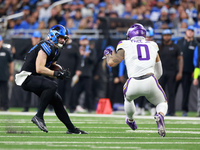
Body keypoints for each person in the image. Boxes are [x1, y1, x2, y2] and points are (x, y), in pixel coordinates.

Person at [15, 24, 88, 134]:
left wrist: (60, 70)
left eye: (64, 38)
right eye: (60, 37)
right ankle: (38, 116)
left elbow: (50, 66)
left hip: (34, 77)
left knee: (57, 100)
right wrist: (56, 74)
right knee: (53, 85)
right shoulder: (47, 45)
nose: (62, 40)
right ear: (54, 35)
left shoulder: (56, 49)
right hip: (26, 77)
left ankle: (71, 129)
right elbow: (39, 68)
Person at [103, 23, 168, 137]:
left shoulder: (126, 44)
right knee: (162, 102)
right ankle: (160, 115)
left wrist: (108, 54)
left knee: (128, 99)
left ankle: (130, 120)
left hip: (133, 82)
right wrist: (153, 81)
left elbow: (111, 63)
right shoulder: (152, 45)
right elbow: (160, 70)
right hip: (150, 79)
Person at [175, 25, 199, 116]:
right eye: (189, 30)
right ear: (186, 31)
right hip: (177, 71)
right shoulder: (179, 42)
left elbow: (196, 59)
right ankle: (170, 110)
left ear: (193, 33)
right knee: (173, 90)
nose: (190, 32)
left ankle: (185, 110)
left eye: (192, 31)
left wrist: (194, 70)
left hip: (188, 71)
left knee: (186, 92)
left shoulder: (196, 44)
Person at [158, 29, 183, 116]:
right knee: (160, 93)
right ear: (163, 36)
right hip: (161, 72)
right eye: (165, 35)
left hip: (172, 72)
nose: (167, 37)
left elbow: (180, 59)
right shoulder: (159, 47)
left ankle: (171, 111)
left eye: (168, 35)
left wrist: (180, 72)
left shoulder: (175, 47)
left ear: (170, 36)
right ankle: (160, 111)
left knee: (171, 92)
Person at [69, 35, 96, 113]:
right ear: (80, 42)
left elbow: (94, 61)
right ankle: (72, 107)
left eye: (86, 40)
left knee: (88, 92)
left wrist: (87, 56)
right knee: (75, 91)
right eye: (83, 40)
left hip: (87, 74)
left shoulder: (91, 50)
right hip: (78, 74)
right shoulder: (77, 50)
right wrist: (80, 55)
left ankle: (89, 108)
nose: (84, 42)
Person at [57, 29, 82, 108]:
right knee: (60, 89)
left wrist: (78, 69)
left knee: (70, 89)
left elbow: (79, 59)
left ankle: (69, 105)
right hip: (60, 71)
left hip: (70, 72)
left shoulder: (74, 46)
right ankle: (60, 105)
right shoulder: (59, 46)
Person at [23, 31, 42, 112]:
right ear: (32, 38)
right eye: (34, 37)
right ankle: (26, 108)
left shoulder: (42, 48)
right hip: (29, 72)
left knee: (39, 91)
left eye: (37, 38)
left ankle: (39, 108)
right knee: (27, 90)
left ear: (40, 39)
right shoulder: (29, 47)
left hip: (38, 72)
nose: (35, 39)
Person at [0, 35, 14, 111]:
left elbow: (11, 63)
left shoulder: (6, 51)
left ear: (2, 41)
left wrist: (11, 74)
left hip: (4, 75)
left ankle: (5, 107)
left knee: (5, 92)